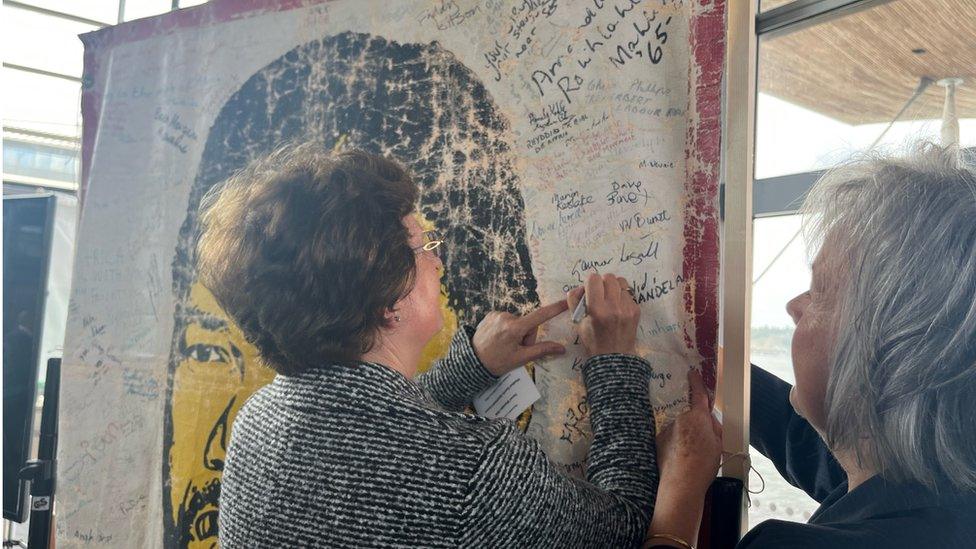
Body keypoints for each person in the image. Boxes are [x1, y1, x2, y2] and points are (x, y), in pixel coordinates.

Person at [206, 145, 720, 547]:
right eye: (423, 246)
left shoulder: (261, 418)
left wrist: (469, 368)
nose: (436, 261)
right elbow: (625, 530)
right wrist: (611, 365)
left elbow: (367, 432)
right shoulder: (472, 473)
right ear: (390, 301)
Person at [678, 144, 976, 549]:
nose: (793, 306)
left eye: (819, 291)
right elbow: (804, 445)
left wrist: (678, 503)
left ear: (890, 347)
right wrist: (709, 365)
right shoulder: (939, 487)